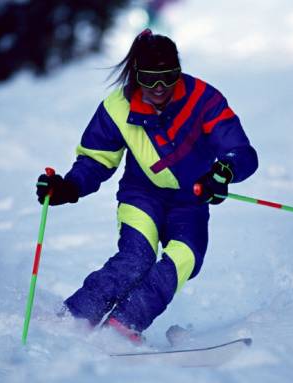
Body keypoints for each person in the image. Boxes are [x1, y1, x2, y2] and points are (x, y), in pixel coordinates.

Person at [36, 29, 258, 343]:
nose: (158, 87)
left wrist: (225, 171)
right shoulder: (117, 108)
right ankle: (74, 318)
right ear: (136, 75)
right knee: (136, 258)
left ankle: (121, 327)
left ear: (178, 73)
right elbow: (97, 159)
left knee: (185, 259)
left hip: (190, 203)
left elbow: (241, 151)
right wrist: (69, 187)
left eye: (167, 77)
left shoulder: (203, 100)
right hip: (141, 196)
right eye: (149, 77)